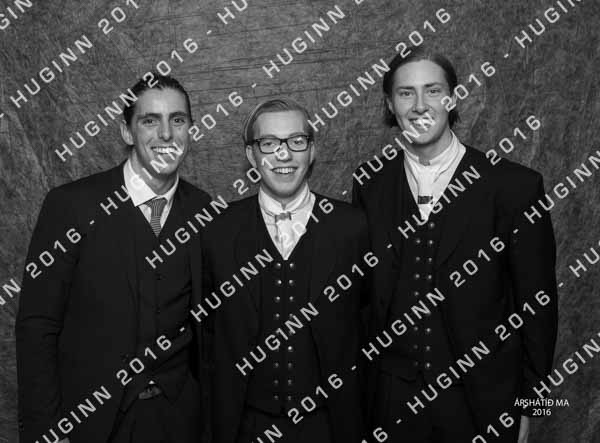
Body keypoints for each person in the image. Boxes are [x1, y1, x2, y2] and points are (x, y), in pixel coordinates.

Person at [352, 48, 558, 443]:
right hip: (391, 401)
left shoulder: (514, 187)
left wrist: (531, 407)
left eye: (433, 90)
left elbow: (538, 306)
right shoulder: (370, 183)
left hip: (485, 401)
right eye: (406, 93)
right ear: (390, 105)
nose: (420, 105)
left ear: (453, 98)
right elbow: (363, 300)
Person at [16, 73, 211, 443]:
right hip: (90, 423)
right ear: (126, 132)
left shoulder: (206, 212)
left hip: (180, 421)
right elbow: (37, 326)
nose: (166, 134)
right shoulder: (71, 206)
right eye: (150, 121)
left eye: (177, 120)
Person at [200, 98, 369, 443]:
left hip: (329, 426)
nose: (283, 154)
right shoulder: (218, 230)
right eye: (269, 143)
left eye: (296, 141)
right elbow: (205, 336)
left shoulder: (352, 227)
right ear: (251, 156)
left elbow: (370, 323)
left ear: (312, 151)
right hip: (245, 426)